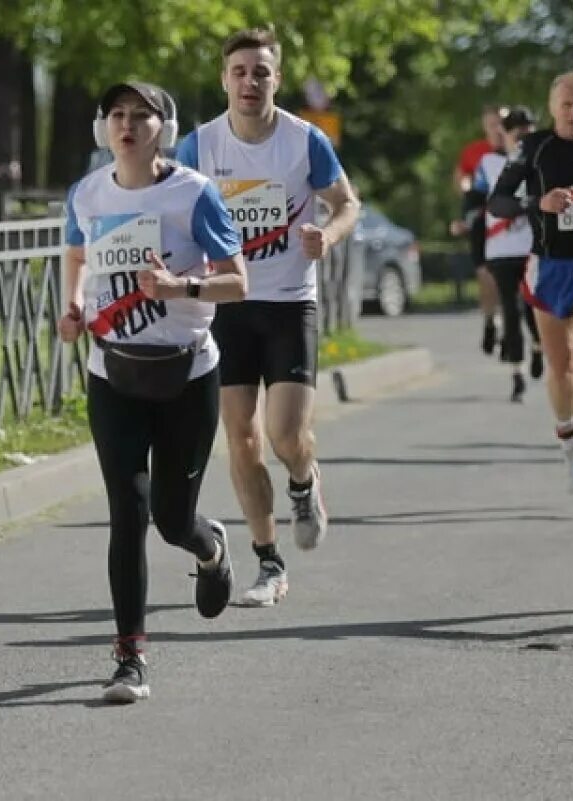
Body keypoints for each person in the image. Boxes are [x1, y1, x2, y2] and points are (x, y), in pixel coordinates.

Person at [58, 81, 248, 703]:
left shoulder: (193, 194)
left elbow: (236, 282)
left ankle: (210, 546)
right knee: (127, 512)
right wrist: (72, 305)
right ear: (103, 127)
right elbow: (77, 256)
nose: (128, 125)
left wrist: (178, 289)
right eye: (116, 114)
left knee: (170, 518)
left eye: (141, 115)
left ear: (163, 128)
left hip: (187, 372)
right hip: (112, 371)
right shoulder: (87, 193)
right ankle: (129, 656)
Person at [176, 27, 360, 608]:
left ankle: (304, 484)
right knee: (242, 438)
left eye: (262, 72)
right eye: (240, 72)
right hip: (228, 306)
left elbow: (347, 202)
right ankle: (268, 562)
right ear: (224, 79)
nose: (250, 82)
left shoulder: (304, 141)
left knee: (285, 434)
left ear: (276, 79)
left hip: (288, 303)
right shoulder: (199, 147)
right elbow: (169, 211)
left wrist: (328, 235)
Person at [487, 73, 573, 493]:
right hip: (548, 267)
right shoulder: (534, 147)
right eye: (566, 104)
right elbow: (498, 201)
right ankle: (569, 450)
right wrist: (537, 203)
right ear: (552, 107)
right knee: (560, 367)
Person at [466, 105, 545, 401]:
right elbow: (474, 201)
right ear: (507, 135)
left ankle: (538, 348)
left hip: (533, 248)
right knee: (510, 311)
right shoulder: (488, 163)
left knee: (532, 307)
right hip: (501, 250)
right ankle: (517, 372)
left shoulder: (543, 161)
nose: (523, 139)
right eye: (517, 134)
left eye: (528, 133)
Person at [452, 104, 508, 354]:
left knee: (512, 275)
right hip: (482, 222)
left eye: (502, 123)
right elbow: (461, 178)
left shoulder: (518, 150)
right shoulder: (474, 152)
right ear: (485, 126)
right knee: (486, 275)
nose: (497, 129)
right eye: (492, 124)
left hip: (512, 222)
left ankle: (511, 323)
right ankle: (490, 319)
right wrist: (467, 189)